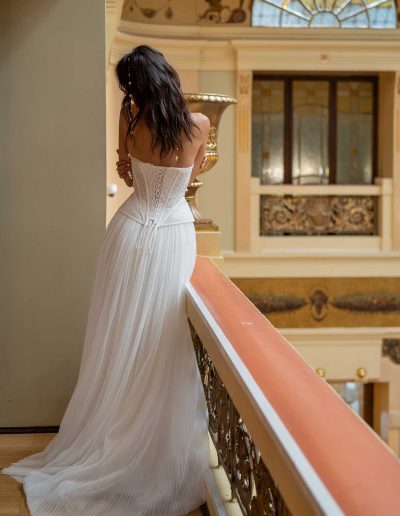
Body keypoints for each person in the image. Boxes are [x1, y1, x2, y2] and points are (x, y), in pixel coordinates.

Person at [1, 45, 211, 516]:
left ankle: (110, 431)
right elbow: (193, 175)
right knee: (164, 338)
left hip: (131, 230)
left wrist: (135, 159)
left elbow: (128, 175)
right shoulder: (198, 124)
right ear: (168, 76)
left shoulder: (131, 121)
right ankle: (150, 444)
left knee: (120, 335)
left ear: (135, 86)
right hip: (174, 233)